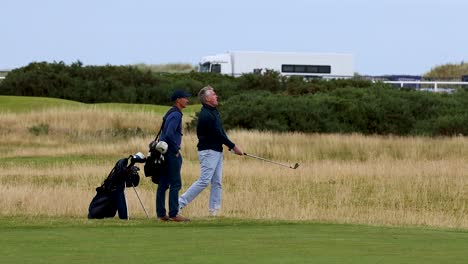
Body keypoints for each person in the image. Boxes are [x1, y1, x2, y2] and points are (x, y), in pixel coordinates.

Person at [179, 85, 243, 216]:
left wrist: (230, 146)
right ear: (207, 98)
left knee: (217, 182)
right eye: (213, 94)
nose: (216, 96)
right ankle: (178, 204)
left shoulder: (214, 111)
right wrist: (233, 146)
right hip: (208, 151)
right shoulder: (206, 115)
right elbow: (218, 134)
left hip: (216, 150)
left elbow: (221, 132)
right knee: (204, 181)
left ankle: (214, 211)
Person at [156, 90, 191, 222]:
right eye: (185, 98)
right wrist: (176, 149)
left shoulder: (170, 112)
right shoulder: (176, 115)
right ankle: (174, 214)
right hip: (171, 152)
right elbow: (169, 134)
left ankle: (161, 214)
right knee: (175, 183)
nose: (187, 100)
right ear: (178, 100)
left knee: (163, 183)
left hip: (164, 152)